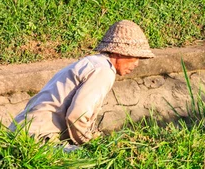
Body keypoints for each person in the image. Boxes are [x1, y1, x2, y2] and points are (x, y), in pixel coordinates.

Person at [10, 20, 154, 145]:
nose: (136, 64)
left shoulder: (93, 63)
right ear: (119, 53)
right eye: (135, 57)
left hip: (21, 131)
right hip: (38, 137)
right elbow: (77, 115)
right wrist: (88, 143)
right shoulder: (104, 70)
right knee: (92, 161)